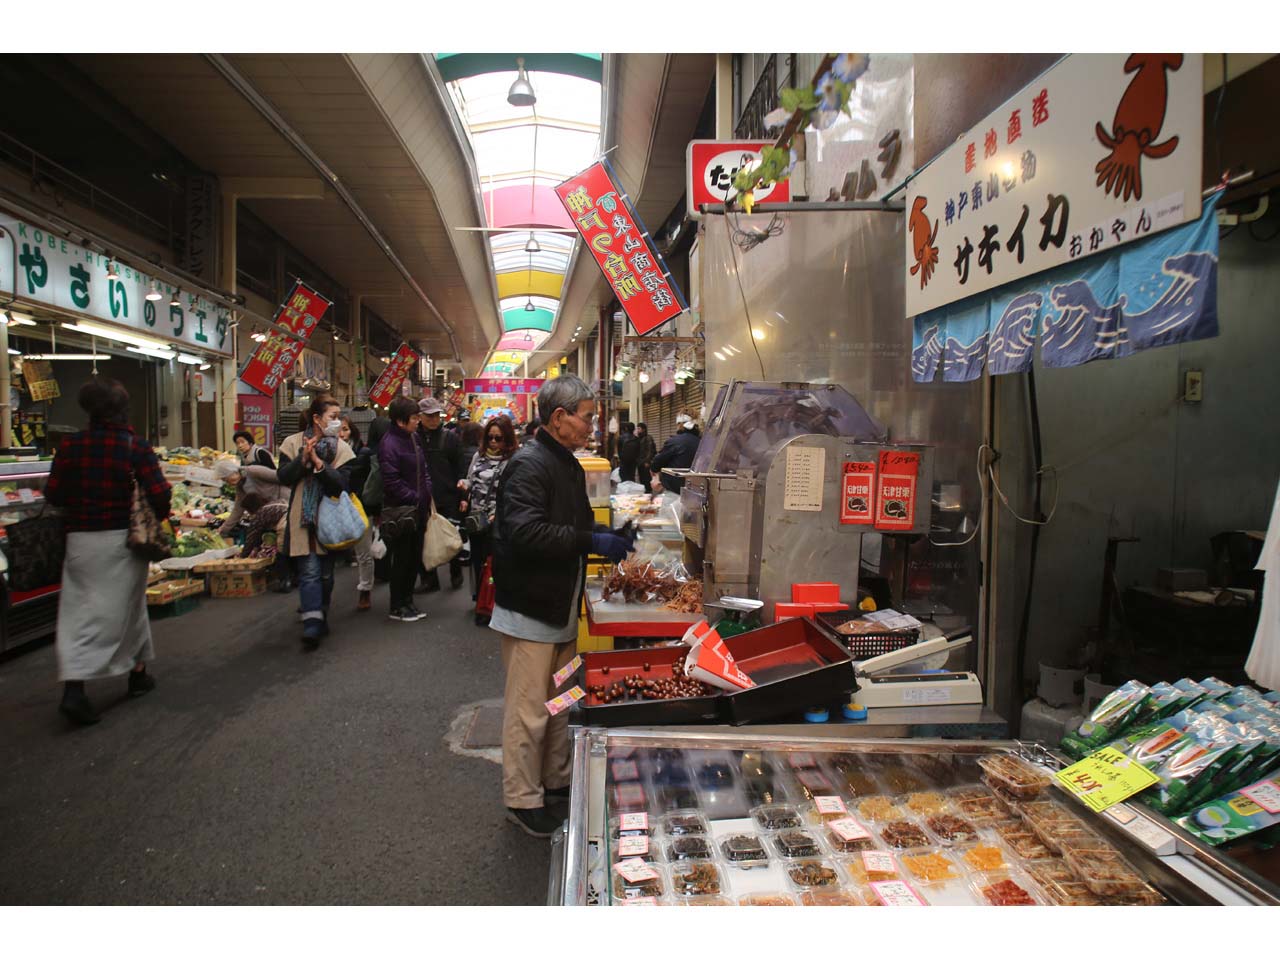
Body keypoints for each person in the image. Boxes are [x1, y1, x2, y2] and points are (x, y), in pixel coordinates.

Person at [491, 375, 636, 837]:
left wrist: (606, 536)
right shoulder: (528, 464)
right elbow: (525, 532)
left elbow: (574, 524)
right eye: (587, 418)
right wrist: (591, 541)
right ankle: (522, 799)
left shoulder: (566, 463)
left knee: (560, 702)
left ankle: (555, 780)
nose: (592, 426)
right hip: (531, 611)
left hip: (560, 608)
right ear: (559, 417)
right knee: (529, 711)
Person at [44, 378, 171, 726]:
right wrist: (155, 515)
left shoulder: (70, 446)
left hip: (80, 542)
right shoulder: (134, 446)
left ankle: (136, 672)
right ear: (122, 409)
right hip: (124, 541)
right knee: (119, 609)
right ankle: (75, 692)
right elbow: (160, 493)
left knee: (84, 612)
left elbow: (53, 493)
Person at [277, 397, 355, 649]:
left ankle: (321, 613)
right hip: (302, 518)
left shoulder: (341, 449)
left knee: (326, 575)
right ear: (317, 418)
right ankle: (311, 623)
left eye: (338, 416)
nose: (337, 422)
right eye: (333, 416)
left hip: (330, 518)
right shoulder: (292, 443)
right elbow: (283, 477)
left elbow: (342, 484)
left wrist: (319, 464)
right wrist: (303, 459)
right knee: (309, 571)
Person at [379, 396, 432, 622]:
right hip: (400, 512)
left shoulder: (414, 438)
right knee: (402, 559)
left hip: (418, 509)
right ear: (400, 421)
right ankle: (397, 605)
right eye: (414, 418)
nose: (418, 421)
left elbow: (424, 469)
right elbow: (391, 481)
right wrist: (415, 497)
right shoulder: (388, 444)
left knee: (414, 558)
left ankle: (408, 601)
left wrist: (426, 492)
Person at [460, 416, 517, 620]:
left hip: (498, 520)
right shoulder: (479, 455)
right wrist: (464, 487)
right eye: (490, 437)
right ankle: (480, 600)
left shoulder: (512, 460)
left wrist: (498, 514)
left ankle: (494, 602)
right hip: (476, 518)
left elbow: (513, 492)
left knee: (494, 562)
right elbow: (470, 479)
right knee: (478, 560)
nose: (493, 442)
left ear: (507, 439)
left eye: (498, 438)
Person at [416, 396, 465, 592]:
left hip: (447, 496)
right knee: (424, 539)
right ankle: (429, 579)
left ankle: (456, 572)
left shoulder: (449, 438)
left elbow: (460, 467)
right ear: (420, 417)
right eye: (429, 416)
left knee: (451, 535)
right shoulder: (414, 438)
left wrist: (461, 495)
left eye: (436, 415)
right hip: (423, 498)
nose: (434, 419)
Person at [340, 416, 376, 611]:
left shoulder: (363, 453)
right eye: (337, 429)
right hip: (335, 507)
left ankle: (365, 589)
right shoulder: (326, 452)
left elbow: (371, 483)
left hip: (359, 507)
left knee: (363, 552)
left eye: (345, 429)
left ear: (352, 431)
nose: (341, 434)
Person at [650, 414, 701, 494]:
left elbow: (657, 463)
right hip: (696, 489)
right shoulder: (702, 442)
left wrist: (654, 472)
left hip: (674, 489)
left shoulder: (674, 441)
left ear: (680, 425)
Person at [635, 421, 657, 494]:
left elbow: (650, 450)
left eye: (639, 428)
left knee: (646, 479)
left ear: (643, 429)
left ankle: (648, 493)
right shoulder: (639, 438)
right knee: (641, 478)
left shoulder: (648, 438)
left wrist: (647, 461)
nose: (637, 430)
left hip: (645, 462)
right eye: (637, 429)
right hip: (640, 462)